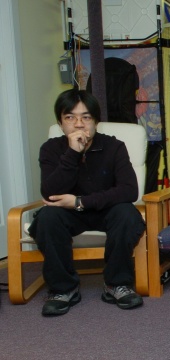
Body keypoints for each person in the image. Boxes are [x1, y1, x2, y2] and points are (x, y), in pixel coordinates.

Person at [29, 89, 145, 316]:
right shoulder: (51, 149)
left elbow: (129, 190)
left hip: (104, 210)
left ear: (96, 122)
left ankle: (116, 284)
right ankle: (63, 289)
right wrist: (72, 153)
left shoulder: (114, 146)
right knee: (47, 217)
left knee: (127, 214)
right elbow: (50, 192)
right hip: (66, 214)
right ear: (61, 124)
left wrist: (81, 201)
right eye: (70, 117)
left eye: (86, 117)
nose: (78, 124)